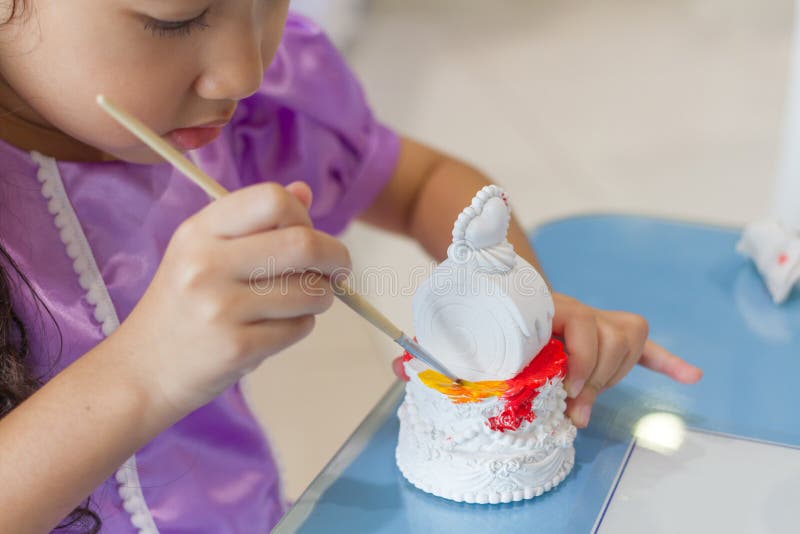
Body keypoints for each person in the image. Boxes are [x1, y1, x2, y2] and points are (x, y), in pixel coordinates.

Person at [0, 1, 702, 532]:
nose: (243, 71)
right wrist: (146, 370)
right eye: (177, 15)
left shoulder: (237, 112)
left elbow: (426, 184)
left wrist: (517, 304)